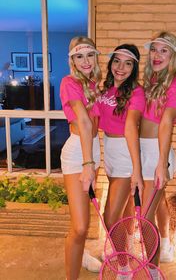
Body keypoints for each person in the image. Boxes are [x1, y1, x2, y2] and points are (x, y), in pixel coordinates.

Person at [140, 32, 176, 274]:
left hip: (157, 154)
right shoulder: (151, 82)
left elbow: (167, 122)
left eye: (164, 51)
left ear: (173, 56)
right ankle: (166, 245)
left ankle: (152, 270)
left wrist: (161, 164)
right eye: (154, 50)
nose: (157, 55)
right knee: (158, 203)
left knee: (145, 218)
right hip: (143, 151)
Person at [95, 44, 145, 276]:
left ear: (134, 67)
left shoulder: (136, 92)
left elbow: (131, 128)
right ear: (110, 63)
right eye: (117, 61)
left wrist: (136, 169)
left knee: (110, 216)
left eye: (127, 63)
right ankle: (127, 252)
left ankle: (124, 266)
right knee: (124, 215)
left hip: (126, 154)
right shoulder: (103, 89)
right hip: (110, 153)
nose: (121, 68)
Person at [60, 36, 102, 280]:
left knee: (83, 219)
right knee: (80, 227)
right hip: (79, 153)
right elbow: (84, 122)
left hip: (92, 149)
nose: (85, 61)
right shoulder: (69, 82)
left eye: (89, 55)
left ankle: (82, 253)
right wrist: (88, 164)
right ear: (72, 60)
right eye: (79, 56)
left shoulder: (94, 83)